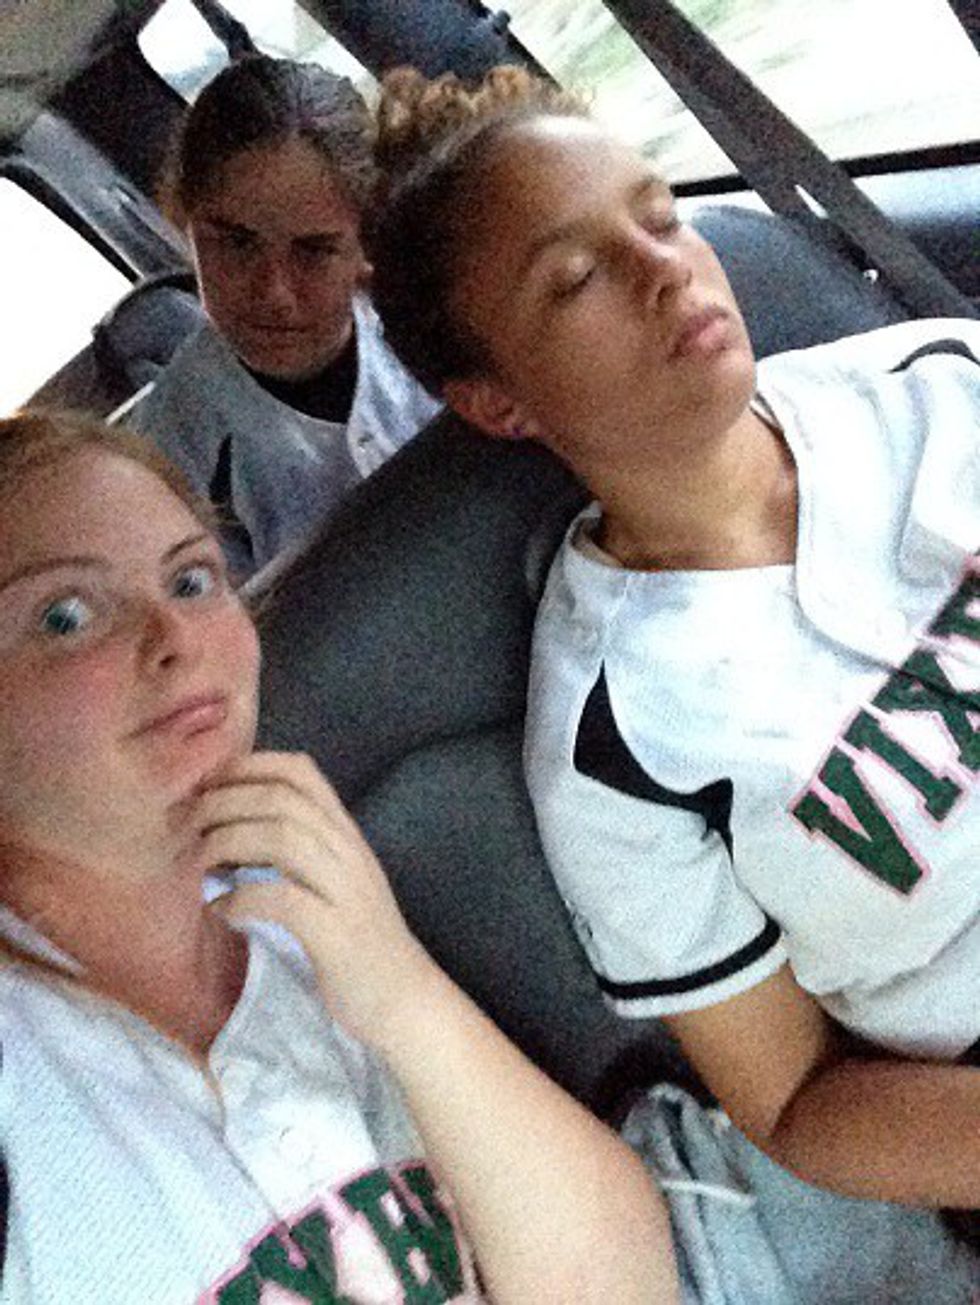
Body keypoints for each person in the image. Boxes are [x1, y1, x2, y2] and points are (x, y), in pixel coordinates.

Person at [364, 66, 980, 1218]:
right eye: (576, 277)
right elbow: (792, 1101)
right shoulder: (615, 744)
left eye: (658, 216)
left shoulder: (938, 382)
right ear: (497, 400)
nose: (664, 269)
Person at [0, 409, 677, 1303]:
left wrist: (398, 987)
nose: (175, 637)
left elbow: (621, 1288)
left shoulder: (309, 907)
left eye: (193, 579)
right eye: (67, 615)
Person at [131, 54, 441, 579]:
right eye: (236, 243)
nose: (274, 293)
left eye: (314, 250)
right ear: (184, 221)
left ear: (366, 241)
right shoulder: (171, 454)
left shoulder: (432, 326)